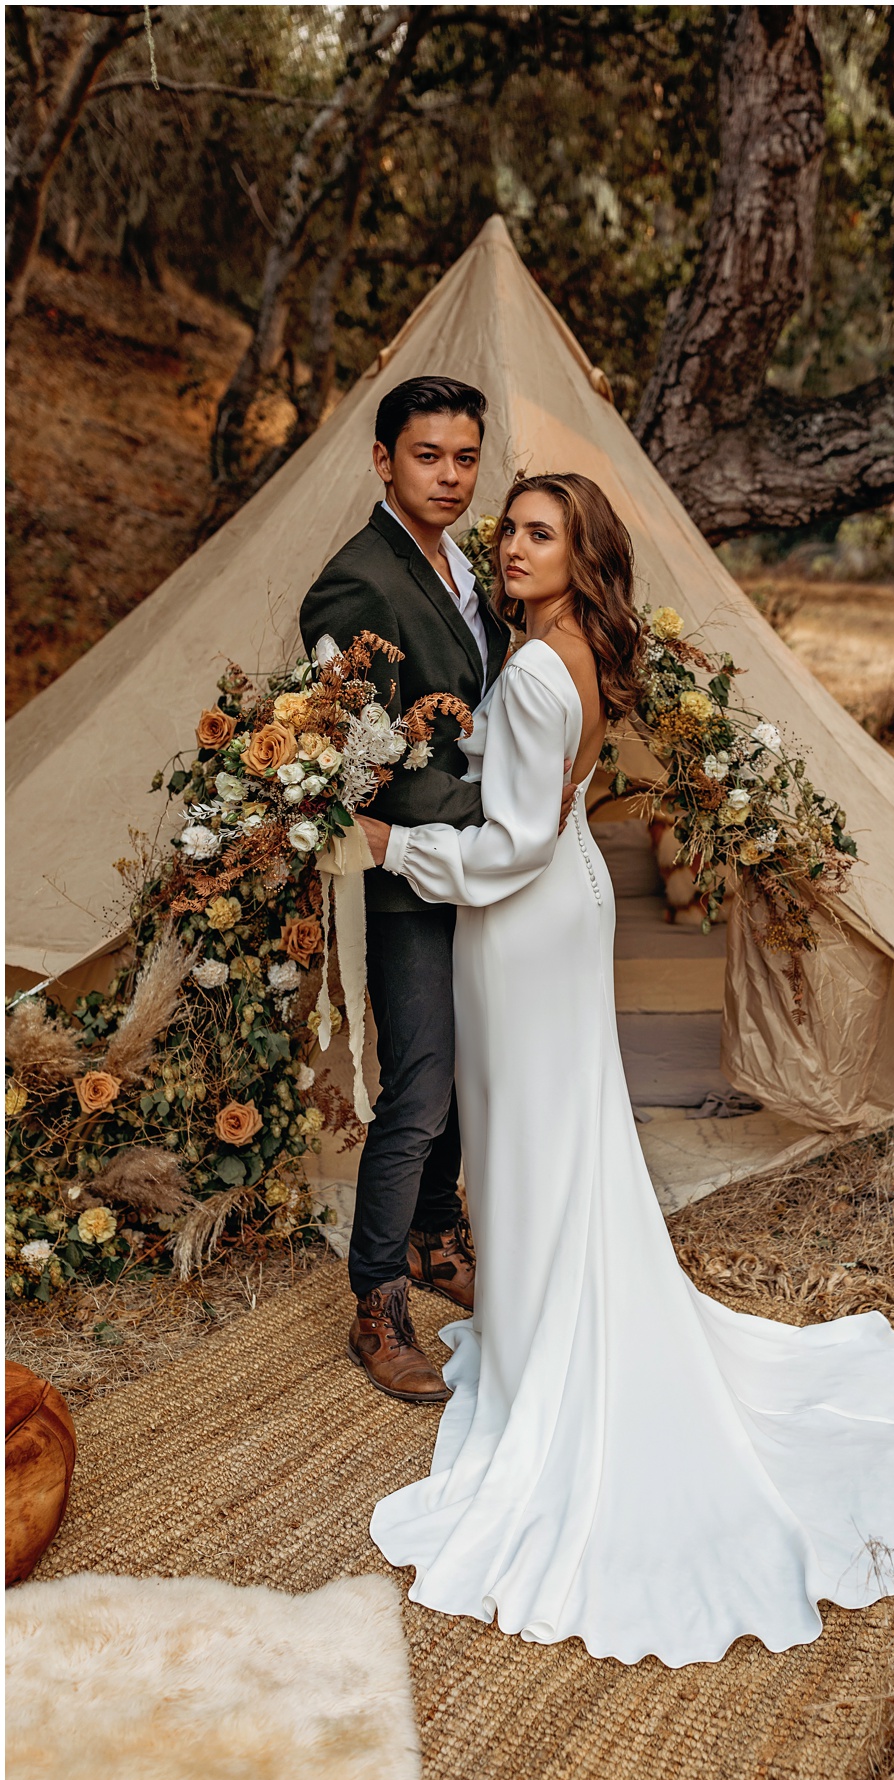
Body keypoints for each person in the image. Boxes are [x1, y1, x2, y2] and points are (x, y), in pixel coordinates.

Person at [354, 472, 894, 1669]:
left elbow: (516, 840)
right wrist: (463, 725)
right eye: (512, 532)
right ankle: (550, 1322)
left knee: (532, 1131)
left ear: (582, 552)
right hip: (555, 911)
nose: (512, 546)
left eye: (539, 534)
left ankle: (555, 1356)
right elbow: (536, 777)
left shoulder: (545, 662)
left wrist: (397, 844)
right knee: (547, 1129)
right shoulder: (564, 649)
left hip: (525, 914)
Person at [299, 378, 574, 1405]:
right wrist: (494, 807)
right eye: (427, 456)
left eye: (465, 458)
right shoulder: (351, 587)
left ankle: (433, 1235)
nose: (450, 477)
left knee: (460, 1068)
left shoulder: (468, 562)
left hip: (479, 874)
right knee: (417, 1086)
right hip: (414, 870)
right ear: (382, 460)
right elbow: (358, 761)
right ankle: (376, 1303)